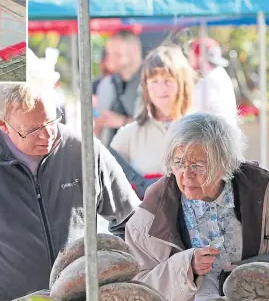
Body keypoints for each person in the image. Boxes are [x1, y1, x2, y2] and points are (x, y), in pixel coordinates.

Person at [125, 113, 269, 301]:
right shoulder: (151, 214)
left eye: (198, 165)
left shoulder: (267, 191)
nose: (186, 174)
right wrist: (186, 267)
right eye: (178, 163)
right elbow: (138, 291)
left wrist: (255, 271)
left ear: (225, 163)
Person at [0, 80, 140, 301]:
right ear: (1, 124)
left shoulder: (82, 150)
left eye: (51, 120)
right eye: (32, 129)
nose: (47, 134)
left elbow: (133, 222)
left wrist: (119, 278)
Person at [109, 45, 194, 197]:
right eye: (154, 81)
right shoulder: (129, 134)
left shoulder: (201, 131)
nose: (161, 88)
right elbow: (110, 189)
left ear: (182, 83)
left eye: (168, 80)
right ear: (145, 86)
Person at [94, 30, 143, 146]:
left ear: (134, 51)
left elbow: (159, 122)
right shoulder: (106, 83)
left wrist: (123, 122)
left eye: (117, 54)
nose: (110, 59)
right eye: (109, 53)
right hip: (111, 153)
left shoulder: (152, 81)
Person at [189, 37, 238, 127]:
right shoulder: (220, 74)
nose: (189, 57)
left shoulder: (208, 80)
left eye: (191, 52)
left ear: (199, 57)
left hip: (215, 135)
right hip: (222, 134)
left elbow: (194, 113)